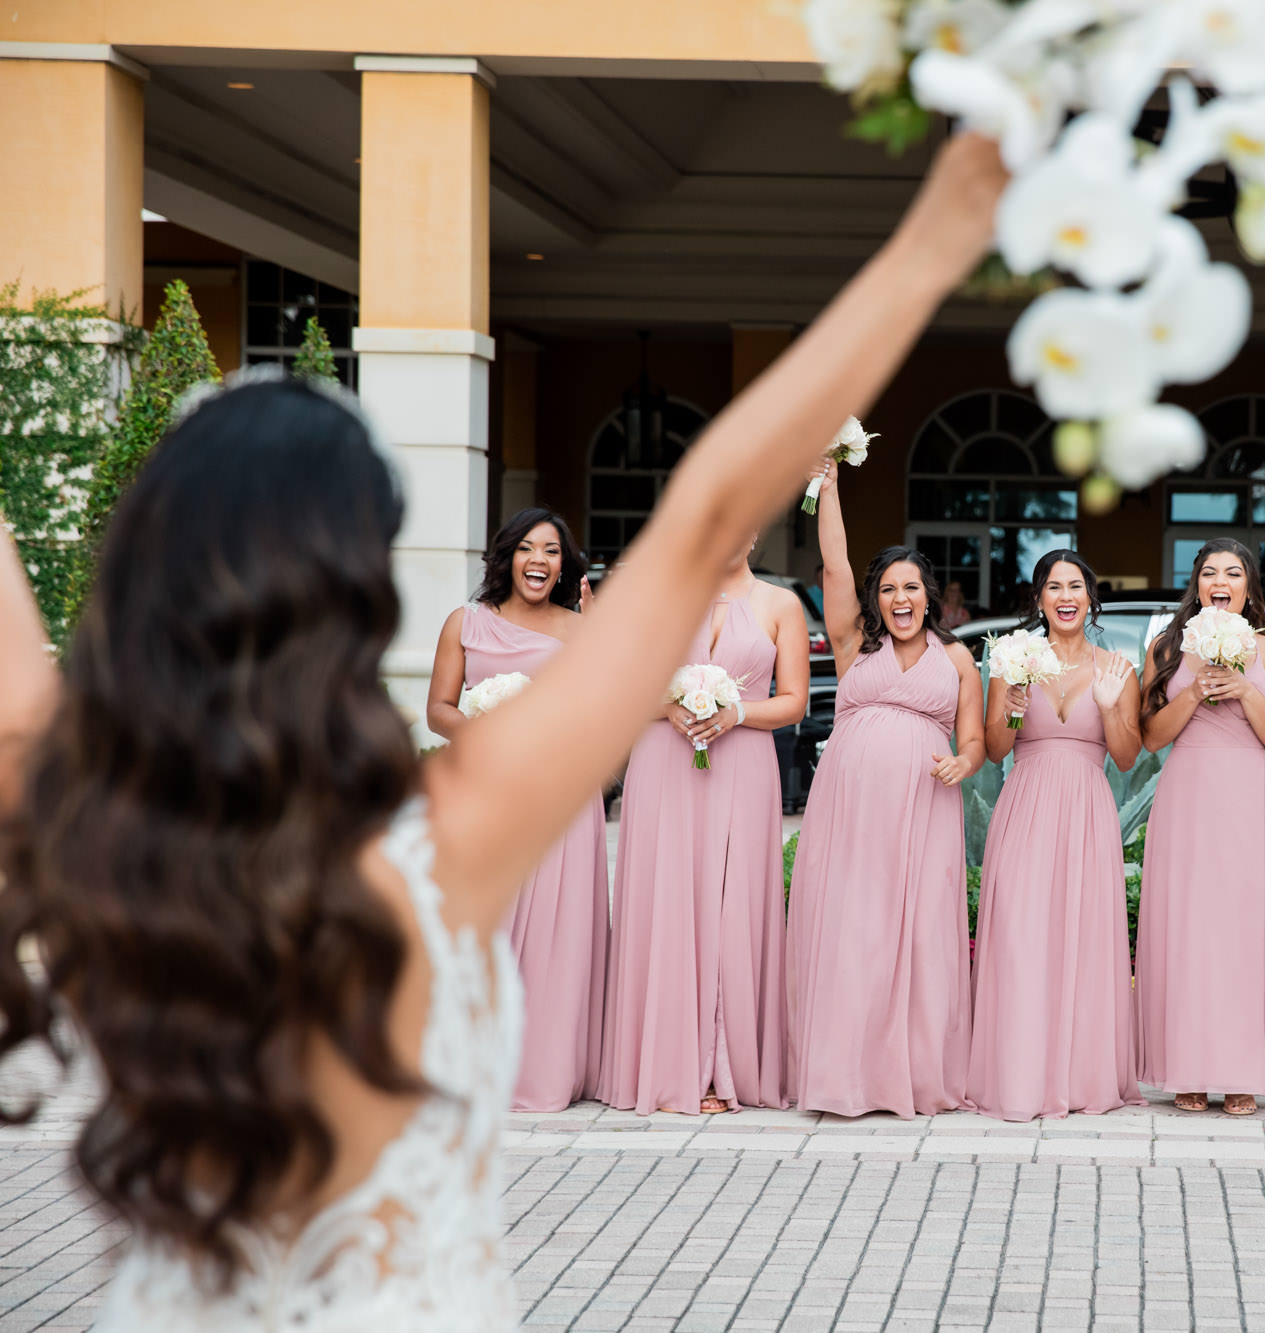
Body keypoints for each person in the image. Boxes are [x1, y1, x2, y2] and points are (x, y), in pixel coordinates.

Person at [0, 131, 1007, 1328]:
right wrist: (937, 237)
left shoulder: (91, 829)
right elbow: (695, 530)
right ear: (362, 589)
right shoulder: (445, 842)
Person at [787, 465, 987, 1118]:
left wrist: (963, 762)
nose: (900, 598)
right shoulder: (853, 645)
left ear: (930, 596)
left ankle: (911, 1074)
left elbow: (976, 739)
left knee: (916, 936)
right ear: (877, 599)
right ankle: (844, 1076)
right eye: (889, 589)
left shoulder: (956, 659)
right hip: (850, 815)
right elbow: (836, 563)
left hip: (924, 816)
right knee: (853, 931)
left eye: (912, 587)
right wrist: (830, 488)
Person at [596, 534, 808, 1115]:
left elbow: (794, 701)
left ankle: (724, 1068)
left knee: (730, 904)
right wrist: (668, 705)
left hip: (743, 763)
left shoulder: (780, 605)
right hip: (665, 763)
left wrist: (736, 711)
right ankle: (664, 1067)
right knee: (667, 901)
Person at [425, 507, 608, 1113]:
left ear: (565, 565)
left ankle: (547, 1071)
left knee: (559, 931)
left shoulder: (580, 630)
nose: (539, 561)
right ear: (506, 556)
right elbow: (439, 710)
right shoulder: (466, 623)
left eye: (552, 551)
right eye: (528, 548)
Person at [967, 550, 1142, 1121]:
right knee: (1021, 936)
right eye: (1053, 586)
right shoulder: (1012, 661)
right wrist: (1011, 710)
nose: (1065, 595)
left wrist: (1113, 708)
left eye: (1075, 585)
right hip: (1026, 805)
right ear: (1038, 599)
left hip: (1087, 808)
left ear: (1090, 597)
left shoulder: (1118, 667)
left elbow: (1125, 755)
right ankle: (1018, 1073)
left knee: (1083, 937)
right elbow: (995, 750)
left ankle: (1079, 1075)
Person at [1135, 539, 1265, 1115]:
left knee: (1244, 933)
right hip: (1188, 795)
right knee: (1188, 932)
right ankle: (1186, 1067)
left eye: (1233, 573)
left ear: (1250, 589)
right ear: (1197, 586)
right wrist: (1200, 685)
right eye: (1210, 573)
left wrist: (1245, 689)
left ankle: (1239, 1074)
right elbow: (1151, 738)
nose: (1220, 581)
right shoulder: (1167, 649)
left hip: (1250, 797)